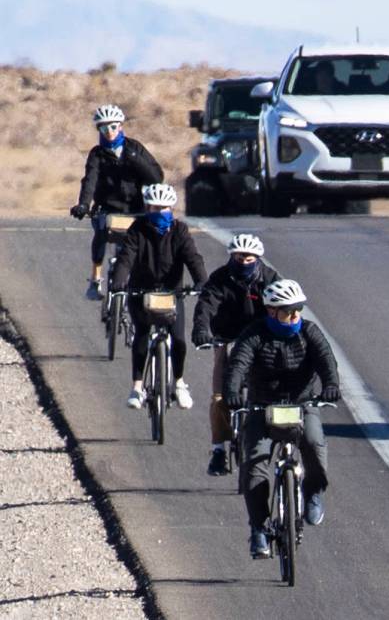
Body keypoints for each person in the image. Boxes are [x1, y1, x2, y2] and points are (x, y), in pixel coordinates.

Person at [223, 279, 341, 558]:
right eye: (288, 311)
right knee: (254, 465)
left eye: (298, 310)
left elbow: (326, 361)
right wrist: (232, 392)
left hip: (302, 403)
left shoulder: (310, 332)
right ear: (271, 311)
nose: (294, 316)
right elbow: (238, 364)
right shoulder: (253, 335)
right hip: (262, 407)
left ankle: (312, 492)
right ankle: (259, 529)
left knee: (313, 443)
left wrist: (331, 386)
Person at [111, 183, 208, 410]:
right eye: (155, 208)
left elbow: (193, 257)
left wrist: (202, 281)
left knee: (179, 339)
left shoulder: (180, 231)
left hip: (171, 292)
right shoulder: (137, 229)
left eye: (164, 208)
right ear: (148, 208)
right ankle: (136, 387)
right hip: (141, 291)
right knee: (142, 336)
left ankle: (179, 382)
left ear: (171, 209)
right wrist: (119, 281)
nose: (159, 212)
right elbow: (127, 257)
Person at [191, 234, 280, 476]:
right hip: (227, 339)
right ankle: (219, 450)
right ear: (232, 256)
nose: (243, 262)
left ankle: (275, 443)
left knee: (272, 394)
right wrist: (201, 329)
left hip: (261, 342)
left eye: (248, 258)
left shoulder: (270, 279)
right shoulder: (221, 278)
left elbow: (283, 305)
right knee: (220, 397)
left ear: (257, 258)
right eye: (239, 257)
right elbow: (206, 304)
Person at [70, 105, 164, 301]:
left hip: (135, 208)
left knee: (146, 242)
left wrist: (134, 159)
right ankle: (95, 280)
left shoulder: (134, 148)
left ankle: (149, 280)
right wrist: (83, 205)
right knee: (101, 233)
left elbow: (157, 177)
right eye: (104, 129)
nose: (109, 132)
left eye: (113, 127)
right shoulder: (97, 154)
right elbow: (90, 180)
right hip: (107, 207)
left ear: (120, 126)